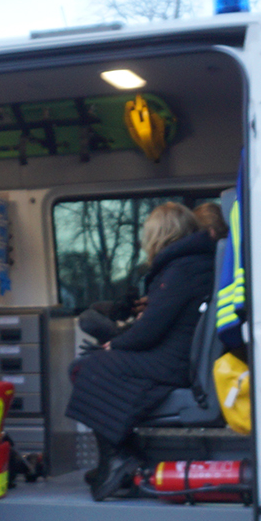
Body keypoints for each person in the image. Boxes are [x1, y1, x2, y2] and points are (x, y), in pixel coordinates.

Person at [66, 202, 215, 500]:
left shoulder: (180, 269)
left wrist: (116, 344)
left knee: (91, 367)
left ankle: (117, 458)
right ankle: (119, 456)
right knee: (96, 363)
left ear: (160, 235)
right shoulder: (190, 263)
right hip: (177, 356)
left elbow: (150, 330)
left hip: (171, 362)